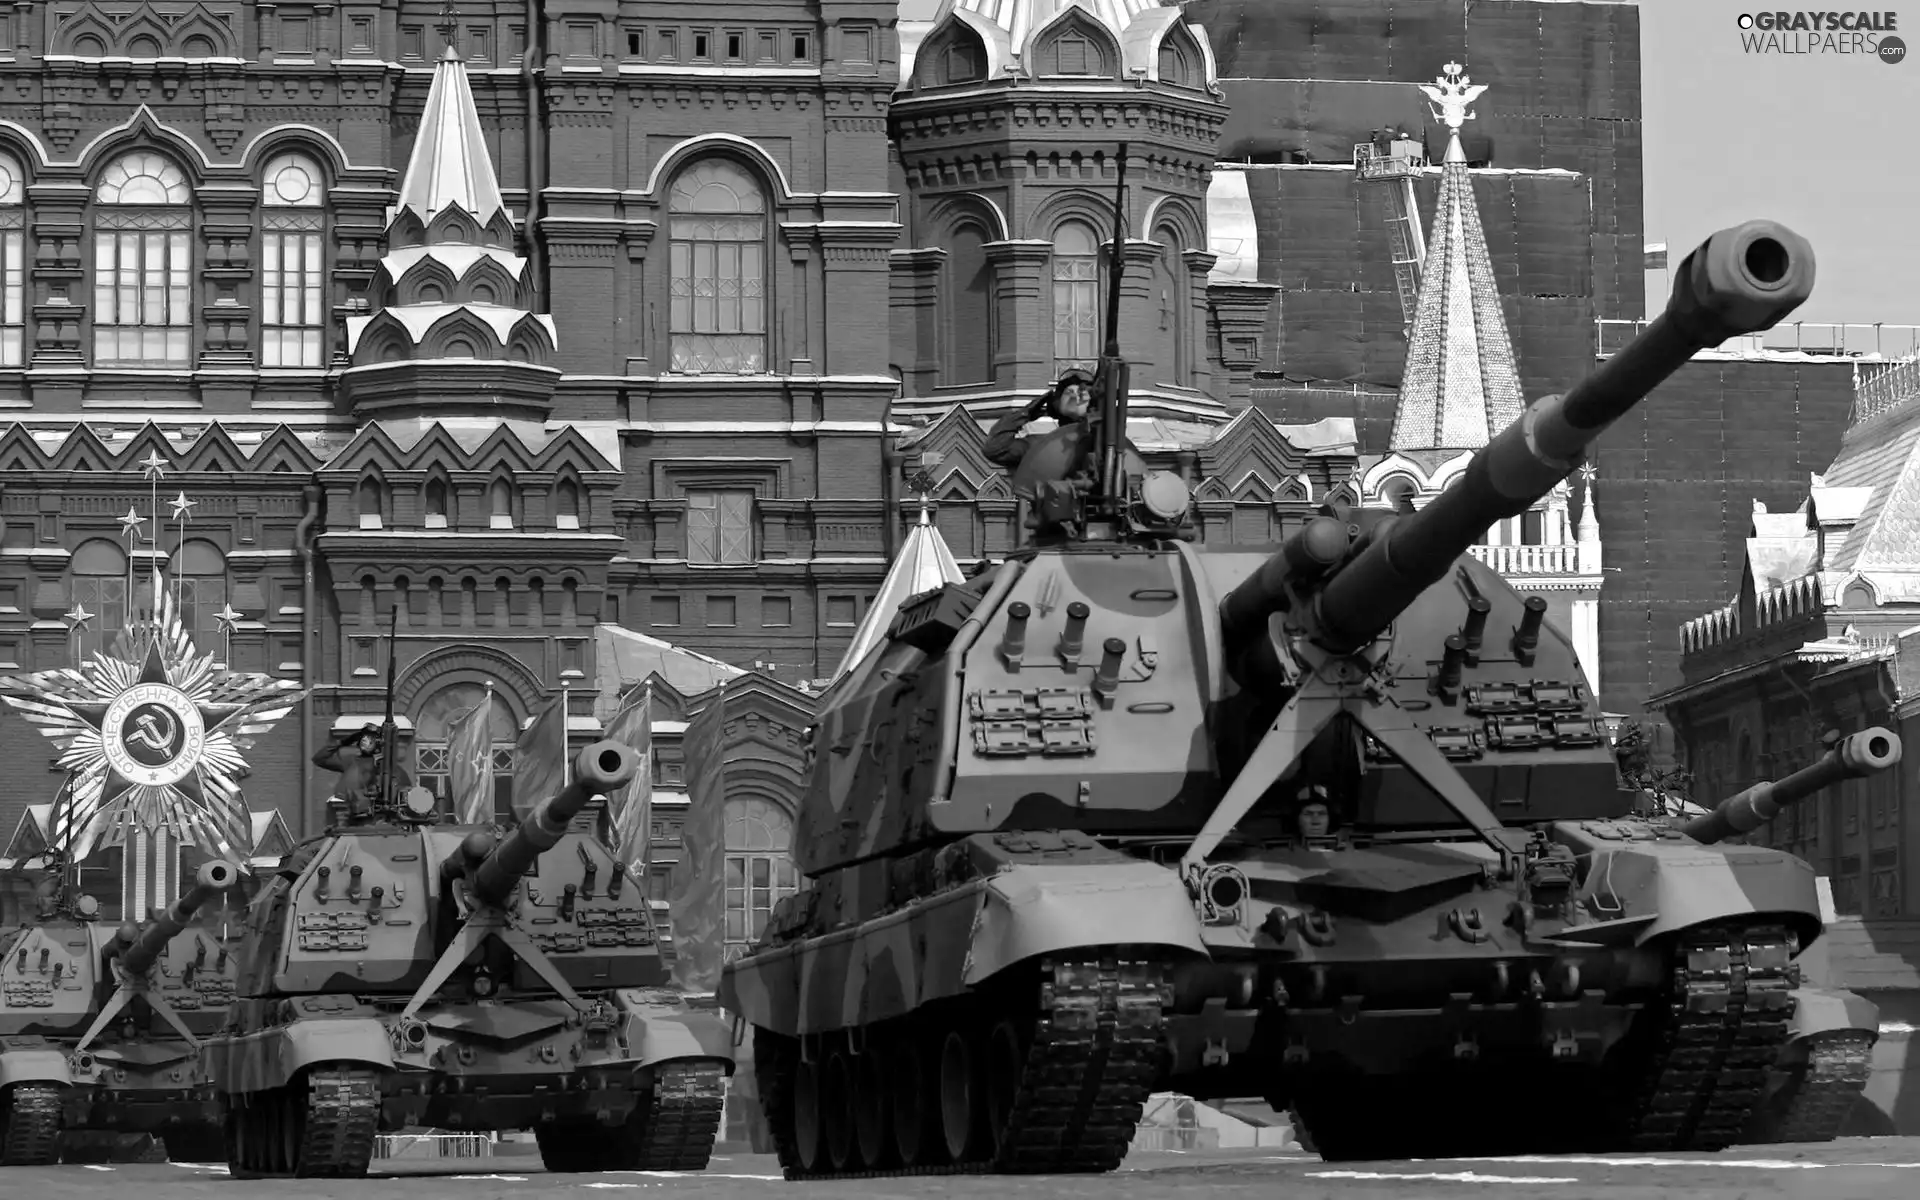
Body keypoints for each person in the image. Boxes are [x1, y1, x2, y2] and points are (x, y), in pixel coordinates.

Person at [312, 723, 413, 824]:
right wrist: (344, 741)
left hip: (381, 823)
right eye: (362, 737)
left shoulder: (392, 769)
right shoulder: (351, 761)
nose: (364, 740)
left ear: (379, 743)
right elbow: (319, 759)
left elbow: (406, 798)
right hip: (347, 821)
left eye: (370, 738)